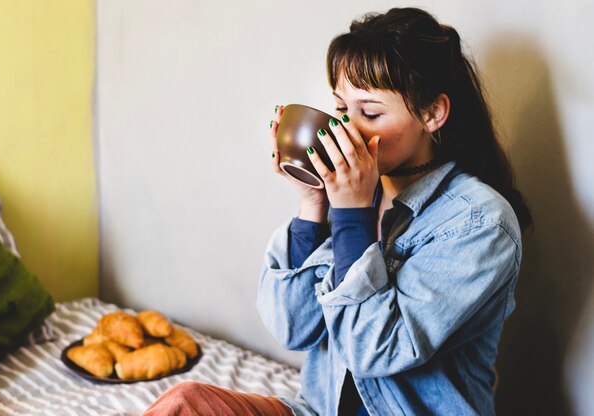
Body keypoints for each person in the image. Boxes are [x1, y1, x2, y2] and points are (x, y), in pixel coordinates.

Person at [144, 7, 531, 416]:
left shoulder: (481, 223)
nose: (347, 128)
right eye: (342, 109)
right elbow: (293, 328)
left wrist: (351, 214)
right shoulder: (355, 193)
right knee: (184, 404)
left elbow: (373, 351)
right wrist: (314, 205)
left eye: (370, 113)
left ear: (432, 114)